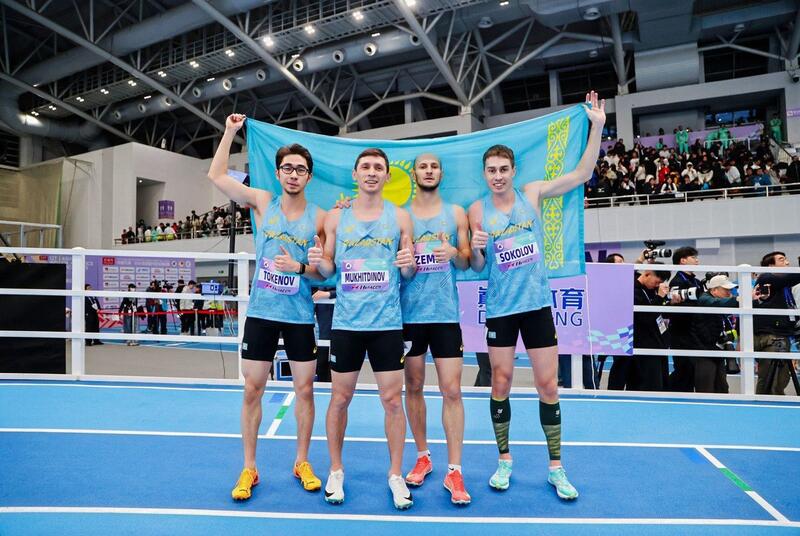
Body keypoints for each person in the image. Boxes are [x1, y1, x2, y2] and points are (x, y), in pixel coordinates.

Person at [466, 91, 605, 501]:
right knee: (500, 382)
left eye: (503, 169)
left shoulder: (532, 193)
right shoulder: (477, 211)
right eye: (491, 170)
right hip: (500, 310)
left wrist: (597, 126)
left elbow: (582, 173)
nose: (497, 176)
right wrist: (476, 248)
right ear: (484, 174)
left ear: (513, 171)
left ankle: (556, 467)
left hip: (537, 307)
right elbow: (476, 266)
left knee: (548, 385)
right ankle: (504, 460)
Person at [207, 113, 327, 500]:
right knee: (252, 390)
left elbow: (326, 272)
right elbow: (216, 175)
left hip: (299, 317)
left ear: (309, 176)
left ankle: (302, 461)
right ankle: (249, 467)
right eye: (287, 168)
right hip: (261, 313)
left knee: (305, 390)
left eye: (300, 169)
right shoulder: (262, 202)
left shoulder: (321, 217)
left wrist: (304, 268)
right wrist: (230, 132)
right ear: (278, 174)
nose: (293, 174)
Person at [308, 147, 416, 510]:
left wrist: (409, 263)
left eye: (378, 167)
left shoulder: (400, 217)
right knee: (340, 399)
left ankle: (396, 474)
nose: (371, 172)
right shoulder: (336, 218)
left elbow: (408, 272)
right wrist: (319, 260)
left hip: (387, 324)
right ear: (355, 175)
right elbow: (328, 269)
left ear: (387, 175)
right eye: (365, 167)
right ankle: (335, 470)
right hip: (347, 324)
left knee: (392, 401)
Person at [399, 153, 472, 505]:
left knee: (452, 390)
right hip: (411, 316)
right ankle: (423, 456)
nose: (428, 170)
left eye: (434, 166)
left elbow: (468, 262)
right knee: (413, 386)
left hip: (445, 316)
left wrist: (454, 252)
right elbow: (402, 269)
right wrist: (409, 263)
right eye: (422, 166)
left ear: (441, 172)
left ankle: (454, 470)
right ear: (414, 173)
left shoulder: (456, 213)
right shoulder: (401, 216)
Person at [608, 265, 682, 391]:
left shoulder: (651, 291)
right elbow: (645, 318)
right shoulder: (631, 290)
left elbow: (659, 315)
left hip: (656, 343)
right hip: (637, 344)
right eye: (656, 282)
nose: (657, 285)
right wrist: (659, 298)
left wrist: (670, 304)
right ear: (647, 274)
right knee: (646, 385)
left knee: (658, 385)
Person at [754, 252, 800, 395]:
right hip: (771, 336)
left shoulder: (784, 286)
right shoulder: (766, 278)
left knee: (781, 377)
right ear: (770, 266)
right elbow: (791, 278)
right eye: (781, 260)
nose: (787, 262)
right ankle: (762, 404)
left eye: (786, 259)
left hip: (782, 335)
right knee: (770, 377)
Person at [689, 275, 739, 393]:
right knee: (706, 389)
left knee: (722, 388)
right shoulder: (705, 299)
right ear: (714, 290)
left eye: (730, 290)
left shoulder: (714, 301)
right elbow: (718, 303)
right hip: (704, 352)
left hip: (716, 351)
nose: (729, 293)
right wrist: (738, 300)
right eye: (725, 289)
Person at [667, 247, 704, 392]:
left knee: (692, 371)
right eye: (693, 257)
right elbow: (676, 311)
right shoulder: (677, 281)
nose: (697, 260)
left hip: (694, 333)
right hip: (681, 334)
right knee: (684, 370)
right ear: (683, 260)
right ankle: (671, 393)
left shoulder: (696, 281)